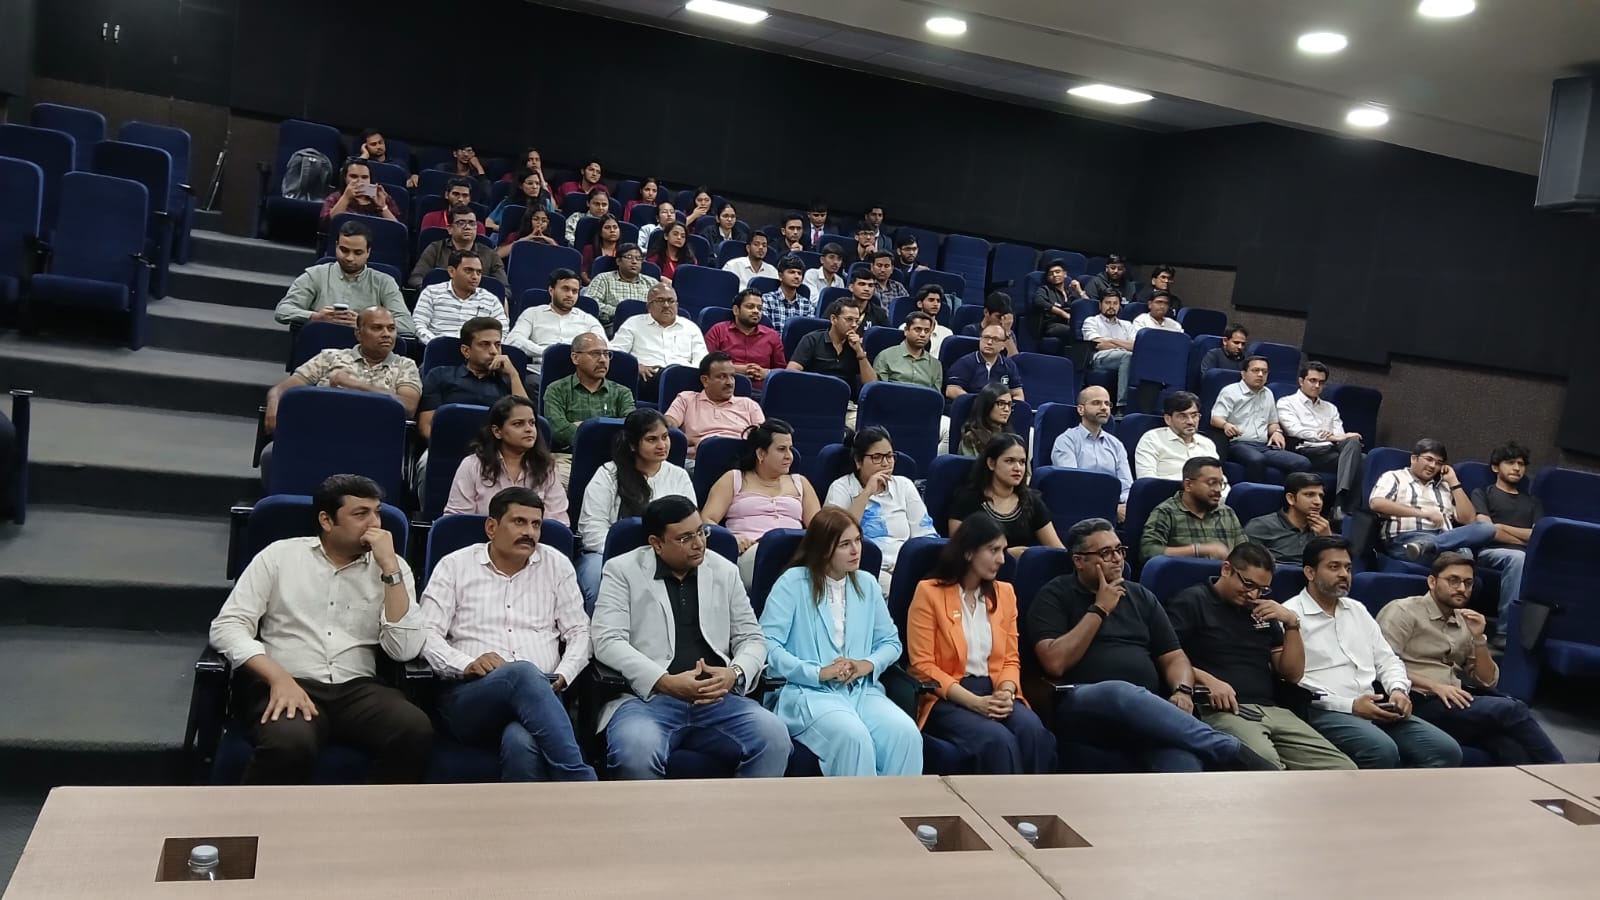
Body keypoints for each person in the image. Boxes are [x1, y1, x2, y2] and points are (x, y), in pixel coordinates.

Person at [208, 475, 432, 784]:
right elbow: (227, 626)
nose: (375, 524)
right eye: (361, 514)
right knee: (290, 744)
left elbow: (405, 649)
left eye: (377, 512)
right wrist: (278, 678)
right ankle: (254, 815)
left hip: (358, 688)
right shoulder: (280, 556)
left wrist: (391, 570)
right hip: (290, 680)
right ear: (326, 520)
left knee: (415, 730)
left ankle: (370, 812)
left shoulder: (392, 567)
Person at [1025, 517, 1277, 772]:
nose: (1117, 558)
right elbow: (1054, 662)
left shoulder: (1141, 596)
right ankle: (1230, 749)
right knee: (1120, 691)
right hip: (1083, 702)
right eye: (1105, 553)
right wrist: (1099, 609)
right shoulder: (1055, 594)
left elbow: (1174, 656)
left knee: (1184, 763)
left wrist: (1182, 690)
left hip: (1146, 709)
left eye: (1119, 550)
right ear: (1079, 561)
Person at [592, 496, 791, 779]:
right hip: (648, 699)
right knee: (635, 752)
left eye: (701, 532)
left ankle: (745, 809)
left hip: (717, 699)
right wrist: (664, 680)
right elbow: (608, 640)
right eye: (685, 538)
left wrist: (734, 673)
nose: (699, 544)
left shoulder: (724, 570)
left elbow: (752, 638)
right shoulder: (622, 571)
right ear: (656, 543)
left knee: (775, 737)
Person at [418, 487, 596, 782]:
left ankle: (526, 814)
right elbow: (427, 633)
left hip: (544, 695)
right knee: (522, 673)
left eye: (536, 524)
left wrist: (564, 674)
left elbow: (579, 630)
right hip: (470, 697)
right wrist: (466, 663)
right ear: (492, 527)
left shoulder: (556, 564)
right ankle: (580, 781)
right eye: (519, 522)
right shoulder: (455, 565)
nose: (529, 532)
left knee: (520, 742)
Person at [759, 507, 922, 777]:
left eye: (857, 540)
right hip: (806, 692)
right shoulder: (792, 583)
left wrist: (866, 664)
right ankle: (856, 807)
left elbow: (891, 643)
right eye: (845, 544)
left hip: (860, 690)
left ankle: (896, 806)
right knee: (853, 738)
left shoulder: (867, 584)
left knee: (906, 735)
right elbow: (768, 645)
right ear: (824, 549)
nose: (856, 550)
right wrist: (817, 672)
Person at [1166, 542, 1356, 770]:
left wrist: (1292, 624)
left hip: (1273, 709)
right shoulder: (1193, 601)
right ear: (1226, 569)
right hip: (1223, 708)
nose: (1253, 594)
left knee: (1343, 769)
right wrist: (1206, 679)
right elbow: (1165, 655)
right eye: (1248, 584)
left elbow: (1292, 674)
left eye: (1262, 589)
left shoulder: (1261, 609)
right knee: (1267, 768)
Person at [1283, 537, 1462, 768]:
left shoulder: (1357, 609)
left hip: (1375, 705)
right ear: (1310, 572)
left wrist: (1398, 690)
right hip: (1324, 710)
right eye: (1334, 567)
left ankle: (1408, 794)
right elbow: (1295, 684)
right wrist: (1350, 706)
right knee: (1381, 750)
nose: (1344, 574)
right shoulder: (1290, 615)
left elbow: (1387, 660)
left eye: (1348, 568)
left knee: (1445, 750)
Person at [1377, 553, 1564, 764]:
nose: (1461, 588)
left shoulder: (1465, 621)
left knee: (1506, 745)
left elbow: (1487, 681)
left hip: (1454, 702)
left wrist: (1479, 639)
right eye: (1453, 580)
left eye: (1468, 583)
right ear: (1432, 582)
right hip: (1415, 699)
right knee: (1513, 709)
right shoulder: (1403, 611)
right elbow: (1380, 664)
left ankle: (1540, 784)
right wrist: (1435, 686)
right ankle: (1564, 773)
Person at [907, 514, 1055, 774]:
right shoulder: (929, 592)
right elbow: (922, 666)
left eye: (1003, 551)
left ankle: (1035, 802)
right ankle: (1001, 803)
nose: (1002, 559)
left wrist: (1006, 693)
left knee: (1033, 733)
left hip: (995, 688)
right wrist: (974, 702)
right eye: (993, 550)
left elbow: (1010, 658)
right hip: (949, 696)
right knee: (998, 741)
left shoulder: (1005, 593)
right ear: (968, 552)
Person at [576, 409, 696, 612]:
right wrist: (633, 560)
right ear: (632, 445)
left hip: (665, 555)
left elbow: (689, 525)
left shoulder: (679, 476)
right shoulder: (608, 474)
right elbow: (592, 530)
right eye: (652, 439)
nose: (662, 445)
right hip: (606, 554)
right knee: (599, 582)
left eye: (665, 437)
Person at [262, 307, 420, 436]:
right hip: (319, 430)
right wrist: (274, 404)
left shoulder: (405, 365)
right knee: (270, 456)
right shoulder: (330, 356)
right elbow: (281, 389)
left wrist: (355, 385)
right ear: (359, 334)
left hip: (374, 438)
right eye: (377, 328)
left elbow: (409, 406)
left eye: (391, 329)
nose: (386, 334)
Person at [702, 419, 821, 587]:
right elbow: (706, 520)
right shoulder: (734, 478)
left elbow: (820, 527)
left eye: (790, 449)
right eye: (781, 449)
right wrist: (732, 539)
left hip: (797, 552)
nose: (789, 456)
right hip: (753, 552)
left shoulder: (800, 482)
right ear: (761, 454)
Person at [825, 427, 937, 594]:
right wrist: (867, 492)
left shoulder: (904, 486)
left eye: (890, 456)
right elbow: (835, 536)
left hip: (904, 566)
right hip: (864, 567)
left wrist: (910, 566)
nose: (886, 463)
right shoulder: (841, 488)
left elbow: (925, 535)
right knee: (892, 587)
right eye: (877, 457)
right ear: (858, 461)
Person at [274, 220, 415, 337]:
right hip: (320, 346)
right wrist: (315, 317)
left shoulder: (385, 282)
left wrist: (366, 323)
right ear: (336, 246)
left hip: (365, 354)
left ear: (368, 252)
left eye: (357, 252)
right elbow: (283, 310)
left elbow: (407, 325)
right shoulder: (316, 274)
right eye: (344, 250)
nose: (349, 258)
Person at [1369, 438, 1496, 563]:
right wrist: (1423, 513)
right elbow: (1376, 503)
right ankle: (1428, 547)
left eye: (1439, 463)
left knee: (1487, 528)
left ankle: (1429, 545)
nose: (1433, 466)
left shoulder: (1444, 486)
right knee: (1461, 561)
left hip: (1446, 540)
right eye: (1429, 459)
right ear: (1414, 459)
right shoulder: (1395, 477)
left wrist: (1454, 482)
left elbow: (1468, 520)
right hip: (1407, 538)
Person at [444, 396, 567, 523]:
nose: (529, 429)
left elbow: (559, 523)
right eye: (518, 424)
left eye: (532, 423)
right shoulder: (472, 465)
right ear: (497, 431)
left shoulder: (546, 467)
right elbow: (457, 521)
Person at [1469, 441, 1541, 647]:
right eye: (1510, 462)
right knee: (1518, 557)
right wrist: (1519, 537)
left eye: (1521, 464)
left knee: (1522, 558)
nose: (1517, 468)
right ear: (1495, 467)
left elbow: (1536, 535)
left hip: (1523, 557)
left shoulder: (1533, 502)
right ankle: (1504, 632)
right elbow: (1485, 530)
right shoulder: (1482, 493)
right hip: (1488, 553)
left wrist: (1500, 527)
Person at [416, 316, 528, 444]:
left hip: (493, 450)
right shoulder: (439, 375)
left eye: (497, 345)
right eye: (484, 344)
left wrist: (513, 374)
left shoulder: (508, 381)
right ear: (466, 351)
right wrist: (446, 450)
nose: (494, 351)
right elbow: (426, 425)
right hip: (445, 446)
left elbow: (526, 419)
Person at [947, 434, 1063, 555]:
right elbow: (957, 550)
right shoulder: (967, 498)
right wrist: (1006, 555)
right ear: (991, 463)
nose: (1018, 468)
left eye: (1022, 462)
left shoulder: (1032, 502)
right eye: (1009, 461)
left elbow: (1057, 551)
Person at [542, 333, 635, 484]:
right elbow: (558, 431)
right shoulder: (556, 389)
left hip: (613, 459)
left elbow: (631, 427)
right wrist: (604, 431)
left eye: (606, 354)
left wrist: (582, 427)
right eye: (595, 354)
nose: (603, 360)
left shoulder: (622, 392)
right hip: (568, 458)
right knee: (556, 482)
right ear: (575, 358)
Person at [1275, 361, 1364, 516]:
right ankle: (1344, 507)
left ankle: (1340, 505)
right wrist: (1326, 436)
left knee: (1355, 445)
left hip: (1332, 450)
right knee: (1361, 459)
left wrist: (1340, 437)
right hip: (1307, 450)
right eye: (1313, 380)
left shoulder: (1330, 408)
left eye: (1321, 382)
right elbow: (1294, 430)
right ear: (1301, 381)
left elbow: (1340, 435)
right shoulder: (1287, 402)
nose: (1317, 386)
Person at [1211, 355, 1310, 483]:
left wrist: (1276, 432)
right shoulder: (1230, 391)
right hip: (1238, 444)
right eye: (1255, 370)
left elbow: (1272, 422)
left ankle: (1288, 494)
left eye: (1264, 371)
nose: (1260, 374)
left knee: (1302, 462)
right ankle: (1256, 493)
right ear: (1243, 374)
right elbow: (1215, 418)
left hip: (1263, 446)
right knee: (1257, 460)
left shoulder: (1268, 393)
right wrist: (1226, 425)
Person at [1139, 457, 1246, 565]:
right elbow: (1148, 552)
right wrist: (1198, 550)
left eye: (1221, 483)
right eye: (1212, 483)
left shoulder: (1227, 513)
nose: (1218, 489)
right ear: (1188, 485)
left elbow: (1245, 555)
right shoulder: (1166, 512)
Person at [611, 283, 708, 401]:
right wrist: (636, 367)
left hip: (684, 380)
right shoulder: (633, 323)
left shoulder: (691, 327)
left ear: (677, 305)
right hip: (648, 378)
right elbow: (616, 353)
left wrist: (686, 374)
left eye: (671, 301)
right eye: (660, 300)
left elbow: (702, 360)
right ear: (649, 306)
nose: (666, 305)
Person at [506, 268, 604, 382]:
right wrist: (547, 353)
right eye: (565, 289)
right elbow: (513, 340)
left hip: (578, 373)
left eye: (574, 291)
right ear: (551, 290)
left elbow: (604, 347)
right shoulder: (532, 314)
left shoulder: (588, 319)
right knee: (530, 381)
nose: (570, 295)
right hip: (541, 371)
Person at [787, 300, 877, 424]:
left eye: (857, 321)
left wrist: (860, 353)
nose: (854, 325)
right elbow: (791, 372)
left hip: (845, 406)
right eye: (849, 319)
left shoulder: (855, 347)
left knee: (867, 427)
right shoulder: (812, 340)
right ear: (833, 319)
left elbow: (871, 384)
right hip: (812, 401)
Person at [1050, 385, 1131, 522]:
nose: (1104, 408)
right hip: (1079, 510)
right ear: (1081, 409)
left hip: (1114, 512)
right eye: (1096, 403)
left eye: (1107, 403)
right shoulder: (1066, 441)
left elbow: (1127, 487)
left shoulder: (1116, 444)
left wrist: (1126, 505)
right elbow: (1071, 485)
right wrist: (1110, 508)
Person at [664, 352, 766, 459]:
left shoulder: (749, 404)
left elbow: (765, 438)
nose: (730, 383)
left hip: (741, 461)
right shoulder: (686, 399)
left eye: (732, 376)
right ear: (705, 380)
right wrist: (691, 440)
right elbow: (667, 427)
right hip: (699, 460)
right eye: (722, 377)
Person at [1135, 392, 1229, 497]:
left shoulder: (1207, 443)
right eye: (1182, 416)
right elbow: (1146, 481)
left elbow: (1220, 479)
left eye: (1194, 415)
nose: (1190, 422)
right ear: (1168, 419)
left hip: (1208, 500)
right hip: (1168, 499)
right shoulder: (1152, 439)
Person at [412, 250, 508, 345]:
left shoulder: (491, 300)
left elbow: (502, 331)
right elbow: (418, 325)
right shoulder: (431, 292)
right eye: (468, 271)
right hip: (439, 350)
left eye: (479, 272)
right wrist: (437, 345)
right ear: (451, 271)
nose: (475, 277)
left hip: (479, 352)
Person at [704, 289, 786, 391]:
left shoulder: (772, 335)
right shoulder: (719, 330)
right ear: (736, 310)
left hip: (761, 392)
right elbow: (706, 364)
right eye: (750, 307)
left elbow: (782, 371)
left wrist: (766, 373)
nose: (756, 311)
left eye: (759, 308)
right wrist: (734, 369)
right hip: (724, 389)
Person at [1243, 472, 1333, 565]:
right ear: (1291, 498)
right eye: (1309, 494)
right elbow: (1247, 565)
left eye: (1321, 496)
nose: (1318, 502)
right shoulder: (1260, 526)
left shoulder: (1323, 529)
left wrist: (1327, 540)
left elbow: (1333, 567)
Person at [408, 204, 505, 289]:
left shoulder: (490, 254)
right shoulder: (436, 248)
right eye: (461, 223)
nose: (467, 227)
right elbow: (416, 277)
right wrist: (432, 292)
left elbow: (504, 287)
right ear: (450, 229)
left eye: (472, 223)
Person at [1081, 290, 1138, 411]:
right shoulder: (1091, 321)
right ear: (1100, 305)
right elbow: (1097, 344)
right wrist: (1123, 344)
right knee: (1127, 356)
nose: (1111, 306)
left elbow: (1135, 346)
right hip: (1100, 357)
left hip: (1123, 356)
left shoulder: (1127, 325)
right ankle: (1122, 406)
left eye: (1115, 303)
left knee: (1132, 357)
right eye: (1108, 303)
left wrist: (1112, 341)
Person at [584, 243, 659, 328]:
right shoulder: (603, 279)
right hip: (613, 325)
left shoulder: (652, 283)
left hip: (646, 326)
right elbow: (591, 304)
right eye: (629, 257)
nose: (634, 262)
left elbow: (661, 305)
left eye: (638, 259)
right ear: (618, 261)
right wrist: (620, 312)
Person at [944, 324, 1025, 402]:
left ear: (1003, 345)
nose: (989, 342)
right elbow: (952, 390)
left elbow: (1018, 395)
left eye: (995, 339)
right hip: (972, 407)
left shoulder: (1009, 365)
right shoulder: (965, 362)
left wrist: (1008, 405)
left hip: (1000, 407)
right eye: (986, 337)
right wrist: (979, 404)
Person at [319, 158, 401, 229]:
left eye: (365, 177)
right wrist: (346, 198)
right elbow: (326, 226)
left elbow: (397, 230)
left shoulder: (383, 197)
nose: (360, 181)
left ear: (370, 179)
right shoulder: (334, 198)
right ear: (345, 178)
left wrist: (383, 207)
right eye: (353, 176)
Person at [875, 310, 943, 393]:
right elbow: (879, 391)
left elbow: (934, 396)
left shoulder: (936, 365)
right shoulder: (885, 356)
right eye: (917, 329)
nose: (922, 334)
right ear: (906, 330)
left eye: (926, 331)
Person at [1030, 259, 1082, 350]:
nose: (1054, 275)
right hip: (1052, 324)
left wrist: (1079, 290)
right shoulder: (1045, 289)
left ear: (1065, 274)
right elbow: (1039, 301)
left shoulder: (1071, 291)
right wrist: (1063, 313)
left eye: (1057, 272)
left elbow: (1087, 304)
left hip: (1070, 323)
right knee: (1075, 331)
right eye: (1051, 274)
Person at [486, 167, 555, 235]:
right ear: (520, 186)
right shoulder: (508, 203)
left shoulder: (546, 203)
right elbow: (488, 223)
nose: (535, 187)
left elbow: (554, 226)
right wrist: (503, 230)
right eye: (530, 183)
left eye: (537, 183)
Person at [955, 384, 1015, 458]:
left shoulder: (1013, 438)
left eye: (1009, 404)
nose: (1007, 409)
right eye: (1001, 404)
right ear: (987, 405)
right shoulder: (971, 439)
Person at [763, 255, 817, 331]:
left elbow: (809, 332)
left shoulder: (807, 305)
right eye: (792, 272)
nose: (797, 276)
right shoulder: (767, 299)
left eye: (799, 273)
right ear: (780, 276)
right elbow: (764, 330)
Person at [961, 293, 1019, 358]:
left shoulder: (1009, 334)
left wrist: (1007, 332)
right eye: (998, 317)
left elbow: (1014, 359)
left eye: (1005, 318)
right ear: (986, 312)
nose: (1002, 321)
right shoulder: (970, 331)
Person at [417, 178, 484, 233]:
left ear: (469, 199)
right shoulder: (431, 218)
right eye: (456, 194)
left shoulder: (478, 226)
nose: (460, 199)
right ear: (447, 195)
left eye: (465, 195)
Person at [904, 285, 952, 355]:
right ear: (920, 304)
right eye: (931, 300)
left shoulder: (947, 333)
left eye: (938, 301)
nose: (936, 304)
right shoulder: (906, 327)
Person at [579, 214, 622, 283]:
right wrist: (593, 284)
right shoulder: (589, 249)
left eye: (615, 227)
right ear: (600, 232)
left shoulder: (623, 251)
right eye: (607, 227)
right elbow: (583, 272)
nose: (612, 230)